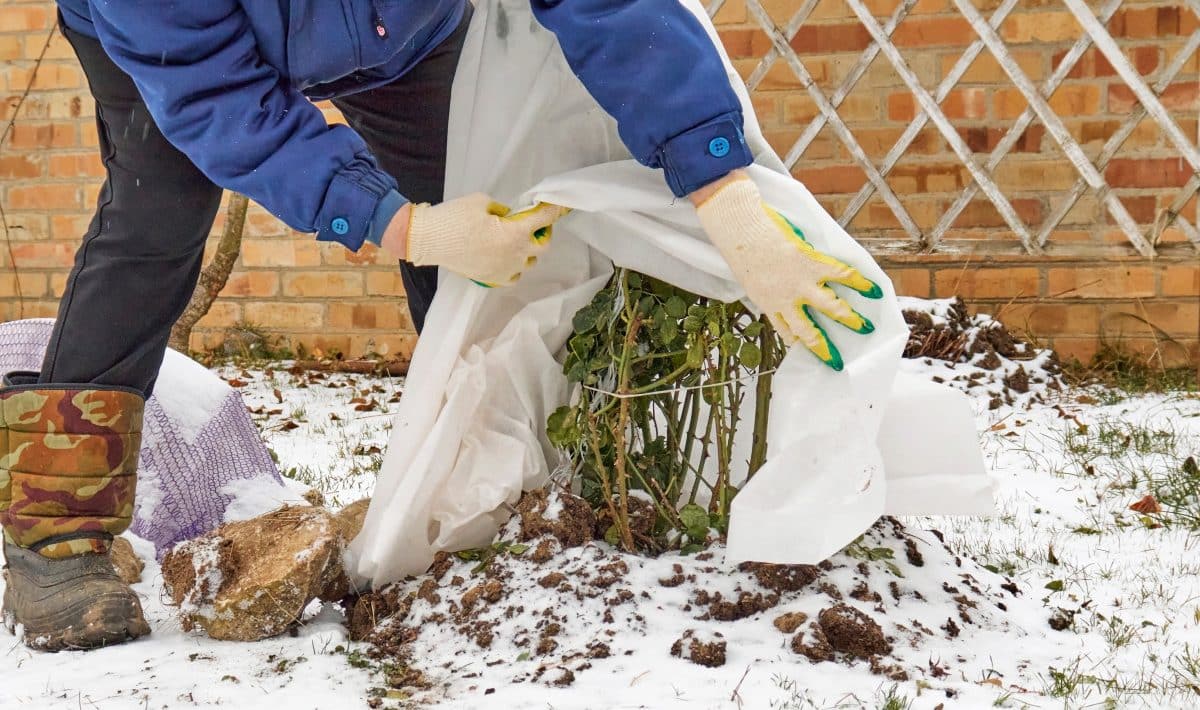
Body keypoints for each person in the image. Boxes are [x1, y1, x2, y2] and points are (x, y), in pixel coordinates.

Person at [0, 0, 881, 651]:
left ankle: (472, 482)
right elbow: (223, 107)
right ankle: (54, 534)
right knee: (156, 218)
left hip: (400, 33)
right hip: (179, 48)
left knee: (470, 207)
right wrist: (404, 225)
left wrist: (724, 197)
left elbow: (614, 9)